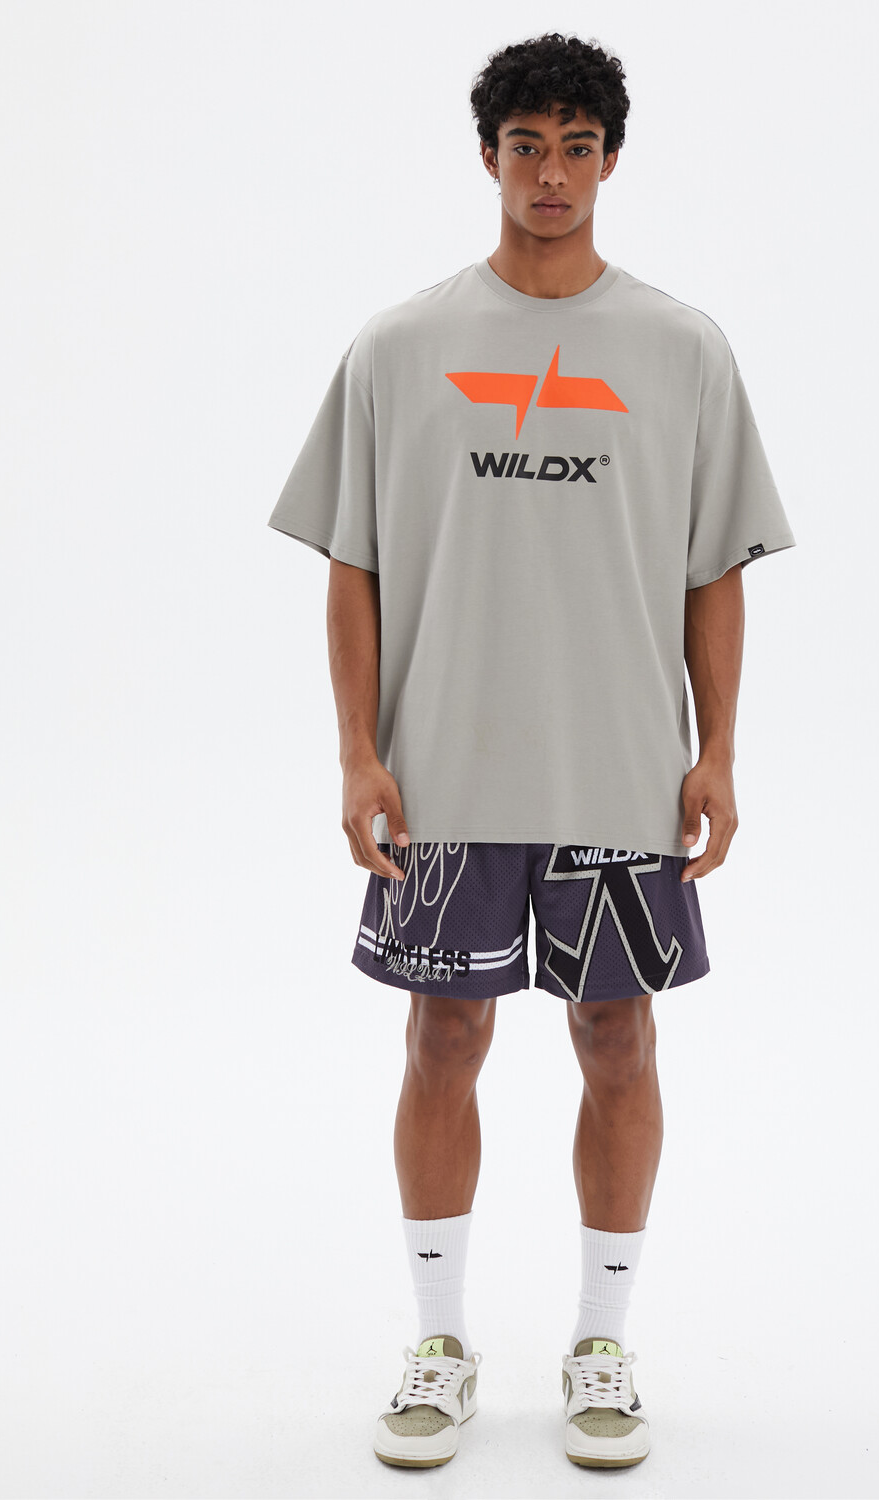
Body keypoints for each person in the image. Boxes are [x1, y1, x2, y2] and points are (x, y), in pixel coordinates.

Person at [267, 30, 795, 1471]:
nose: (550, 173)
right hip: (444, 774)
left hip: (619, 772)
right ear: (487, 156)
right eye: (525, 146)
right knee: (442, 1035)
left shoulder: (681, 350)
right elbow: (354, 565)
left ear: (611, 160)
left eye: (575, 147)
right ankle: (439, 1344)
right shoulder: (400, 347)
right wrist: (357, 755)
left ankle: (602, 1343)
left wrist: (718, 751)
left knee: (619, 1038)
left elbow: (714, 569)